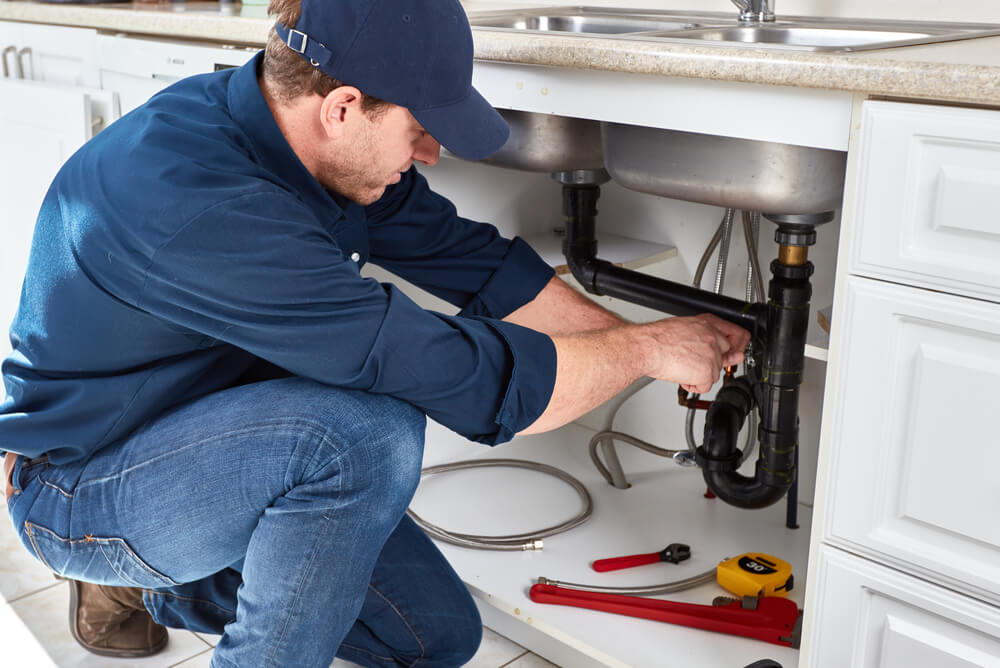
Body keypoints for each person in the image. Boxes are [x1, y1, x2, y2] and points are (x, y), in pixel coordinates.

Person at [0, 0, 749, 666]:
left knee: (433, 639)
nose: (429, 153)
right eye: (420, 129)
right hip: (83, 482)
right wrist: (647, 349)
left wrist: (645, 341)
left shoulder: (298, 142)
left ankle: (165, 587)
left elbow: (479, 265)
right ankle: (114, 565)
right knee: (362, 436)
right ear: (343, 108)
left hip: (215, 443)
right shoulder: (200, 202)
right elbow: (480, 385)